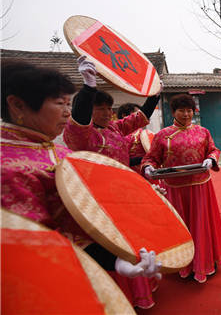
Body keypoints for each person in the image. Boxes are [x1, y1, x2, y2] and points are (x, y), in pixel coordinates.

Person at [0, 61, 161, 289]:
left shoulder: (59, 150)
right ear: (17, 106)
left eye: (68, 103)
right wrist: (88, 89)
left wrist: (140, 192)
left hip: (105, 232)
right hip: (53, 277)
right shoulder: (9, 167)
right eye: (60, 103)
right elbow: (44, 241)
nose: (67, 112)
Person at [62, 56, 162, 309]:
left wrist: (155, 93)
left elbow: (141, 117)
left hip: (123, 197)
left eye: (109, 109)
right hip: (97, 201)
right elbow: (79, 118)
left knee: (130, 243)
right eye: (100, 109)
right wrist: (88, 89)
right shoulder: (80, 134)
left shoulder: (115, 128)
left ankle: (141, 292)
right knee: (110, 248)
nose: (107, 113)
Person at [142, 94, 221, 284]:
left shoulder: (203, 131)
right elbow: (151, 158)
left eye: (189, 110)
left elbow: (213, 149)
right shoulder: (162, 135)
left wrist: (211, 159)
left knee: (201, 223)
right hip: (175, 188)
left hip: (200, 186)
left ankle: (204, 261)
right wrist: (148, 167)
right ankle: (184, 264)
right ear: (173, 112)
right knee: (183, 227)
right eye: (181, 110)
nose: (186, 114)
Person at [117, 102, 147, 172]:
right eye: (136, 114)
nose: (140, 118)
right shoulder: (116, 133)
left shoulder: (143, 133)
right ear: (124, 116)